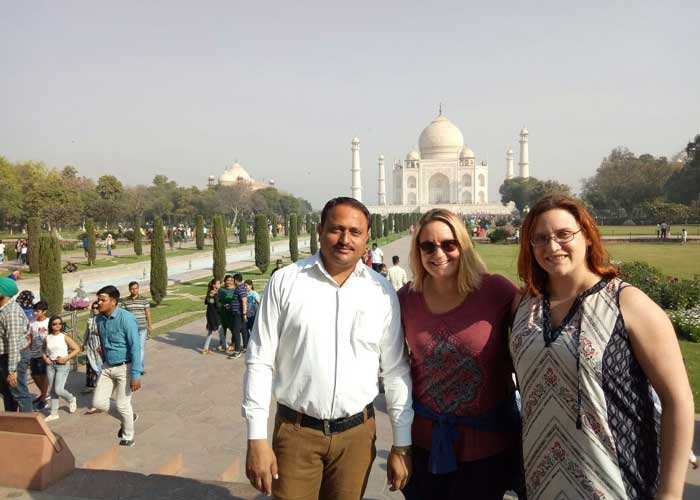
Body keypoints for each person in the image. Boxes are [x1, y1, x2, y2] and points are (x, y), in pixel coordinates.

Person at [510, 194, 694, 499]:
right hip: (541, 480)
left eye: (563, 234)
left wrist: (670, 493)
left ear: (588, 237)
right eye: (540, 238)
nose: (552, 246)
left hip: (615, 480)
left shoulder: (627, 303)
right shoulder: (524, 307)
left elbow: (678, 401)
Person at [243, 197, 413, 499]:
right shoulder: (286, 282)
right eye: (336, 229)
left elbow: (396, 368)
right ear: (320, 230)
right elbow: (259, 361)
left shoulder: (380, 290)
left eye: (355, 232)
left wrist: (401, 443)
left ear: (366, 239)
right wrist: (256, 437)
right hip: (297, 433)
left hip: (357, 436)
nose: (345, 239)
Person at [398, 209, 522, 500]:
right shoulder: (406, 298)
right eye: (427, 246)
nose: (438, 253)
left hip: (488, 443)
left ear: (463, 245)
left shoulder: (495, 291)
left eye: (448, 244)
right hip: (425, 442)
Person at [93, 285, 143, 447]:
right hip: (108, 366)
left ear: (113, 302)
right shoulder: (99, 319)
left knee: (122, 404)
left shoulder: (126, 318)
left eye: (103, 300)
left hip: (125, 367)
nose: (99, 303)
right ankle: (129, 416)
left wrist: (136, 374)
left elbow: (136, 347)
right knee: (98, 403)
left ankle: (128, 436)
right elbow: (102, 339)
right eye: (98, 299)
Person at [0, 277, 32, 413]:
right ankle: (13, 424)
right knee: (7, 394)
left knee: (19, 393)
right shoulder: (4, 309)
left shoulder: (11, 313)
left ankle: (30, 428)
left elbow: (13, 343)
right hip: (5, 356)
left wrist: (12, 371)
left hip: (14, 357)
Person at [41, 316, 79, 422]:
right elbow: (43, 349)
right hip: (50, 365)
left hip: (62, 365)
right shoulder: (47, 338)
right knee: (53, 390)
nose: (57, 326)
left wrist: (66, 358)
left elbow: (77, 349)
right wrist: (45, 358)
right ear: (50, 325)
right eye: (54, 324)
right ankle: (54, 413)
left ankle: (71, 399)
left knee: (58, 389)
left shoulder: (64, 337)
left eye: (59, 324)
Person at [120, 281, 152, 369]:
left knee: (141, 348)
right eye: (132, 289)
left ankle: (138, 367)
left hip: (142, 327)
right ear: (129, 290)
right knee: (133, 348)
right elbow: (123, 315)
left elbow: (148, 313)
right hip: (131, 328)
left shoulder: (144, 300)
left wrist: (150, 325)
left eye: (136, 288)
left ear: (138, 289)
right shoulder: (125, 301)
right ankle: (136, 365)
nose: (134, 290)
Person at [29, 301, 50, 409]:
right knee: (34, 375)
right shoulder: (32, 323)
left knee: (43, 375)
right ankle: (44, 393)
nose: (35, 313)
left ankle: (43, 398)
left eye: (37, 311)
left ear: (44, 311)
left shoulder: (49, 322)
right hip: (33, 353)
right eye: (34, 311)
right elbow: (30, 338)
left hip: (45, 354)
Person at [82, 301, 102, 396]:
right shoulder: (90, 320)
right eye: (93, 308)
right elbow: (87, 332)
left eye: (97, 308)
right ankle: (90, 386)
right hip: (90, 346)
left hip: (100, 347)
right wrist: (83, 344)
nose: (95, 310)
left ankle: (101, 385)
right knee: (90, 366)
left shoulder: (103, 319)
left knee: (99, 366)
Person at [225, 273, 247, 359]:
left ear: (236, 280)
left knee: (236, 332)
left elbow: (244, 300)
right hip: (237, 312)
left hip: (238, 314)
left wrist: (244, 313)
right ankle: (245, 347)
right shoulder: (239, 288)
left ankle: (237, 351)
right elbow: (237, 300)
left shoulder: (240, 288)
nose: (232, 281)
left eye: (233, 280)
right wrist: (230, 306)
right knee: (243, 329)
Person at [202, 278, 223, 354]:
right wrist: (224, 306)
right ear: (214, 285)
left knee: (211, 331)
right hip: (215, 315)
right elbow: (218, 305)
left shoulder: (209, 293)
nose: (219, 285)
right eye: (218, 283)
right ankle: (225, 346)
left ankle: (205, 349)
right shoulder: (215, 294)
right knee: (220, 329)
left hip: (210, 314)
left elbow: (208, 303)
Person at [243, 279, 259, 350]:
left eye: (246, 286)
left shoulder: (254, 293)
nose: (245, 287)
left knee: (253, 331)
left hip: (252, 315)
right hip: (245, 315)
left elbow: (259, 302)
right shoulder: (244, 294)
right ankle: (248, 345)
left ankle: (256, 345)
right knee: (245, 331)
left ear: (251, 286)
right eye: (244, 286)